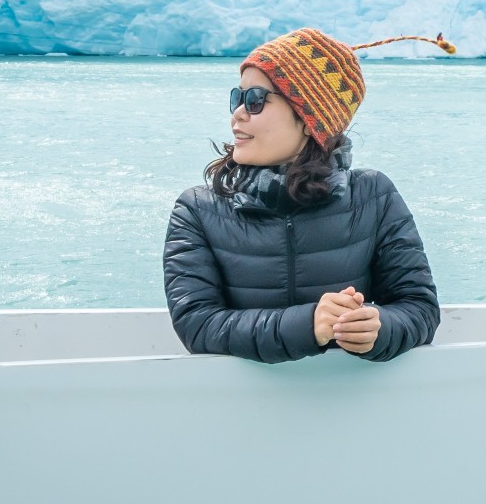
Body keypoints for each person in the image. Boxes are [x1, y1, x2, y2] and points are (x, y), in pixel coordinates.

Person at [162, 27, 452, 363]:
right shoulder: (198, 210)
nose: (237, 114)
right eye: (236, 98)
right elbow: (197, 325)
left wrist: (378, 328)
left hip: (350, 407)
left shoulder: (374, 196)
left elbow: (419, 310)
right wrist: (308, 324)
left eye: (255, 100)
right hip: (241, 411)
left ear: (308, 119)